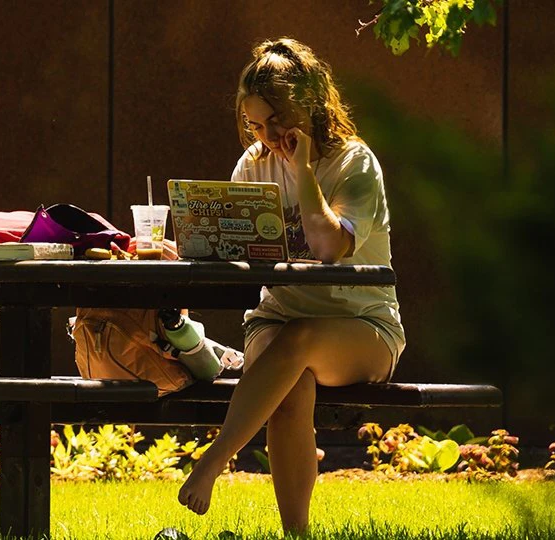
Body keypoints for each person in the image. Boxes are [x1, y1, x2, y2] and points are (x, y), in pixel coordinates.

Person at [175, 37, 406, 535]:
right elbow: (230, 255)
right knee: (290, 380)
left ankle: (214, 459)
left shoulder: (354, 163)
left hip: (361, 325)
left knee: (299, 341)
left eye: (277, 120)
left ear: (309, 103)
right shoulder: (253, 165)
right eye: (255, 124)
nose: (267, 135)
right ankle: (296, 533)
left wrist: (301, 169)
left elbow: (328, 247)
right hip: (275, 319)